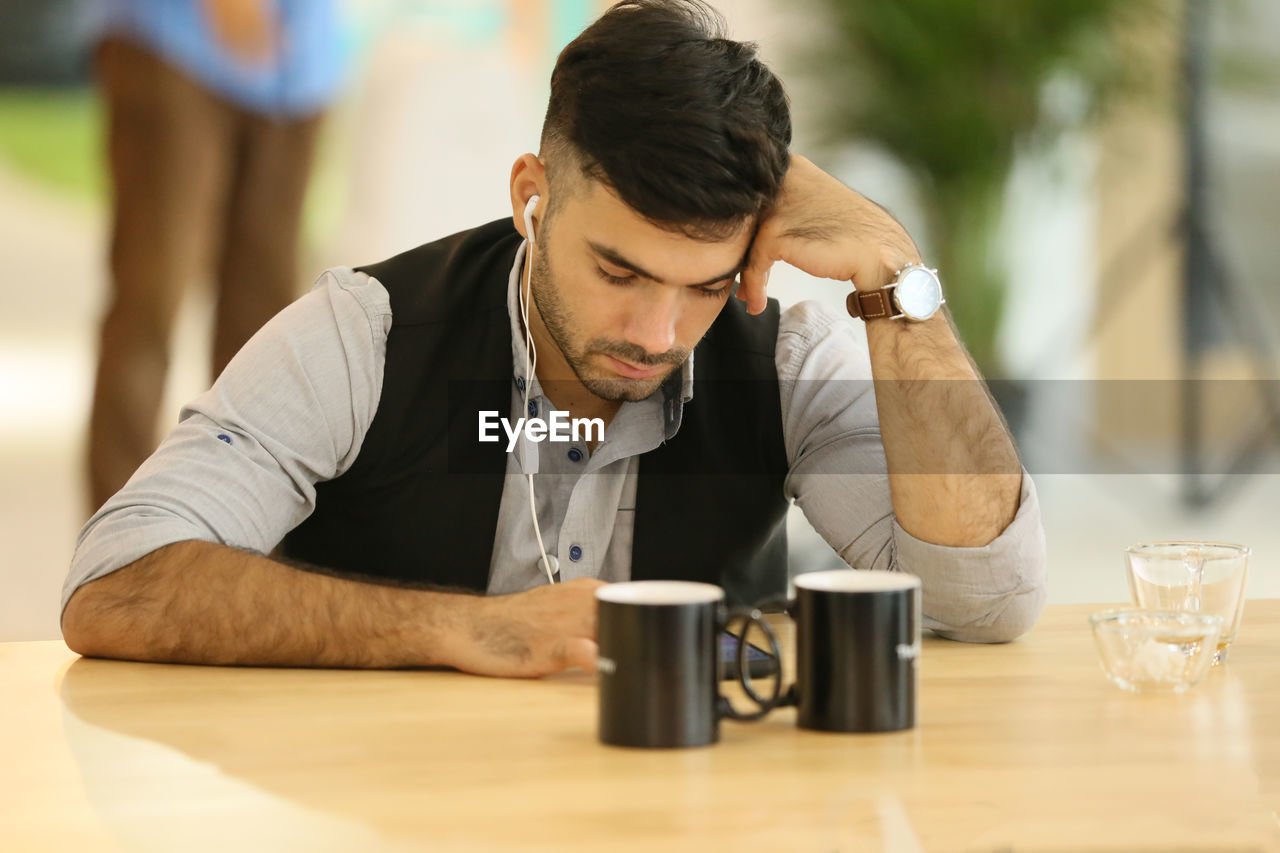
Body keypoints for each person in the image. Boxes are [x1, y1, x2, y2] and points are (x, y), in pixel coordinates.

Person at [62, 0, 1047, 677]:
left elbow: (986, 597)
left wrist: (894, 276)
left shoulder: (781, 357)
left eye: (701, 285)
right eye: (617, 270)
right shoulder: (364, 332)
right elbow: (115, 584)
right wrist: (465, 631)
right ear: (531, 195)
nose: (655, 333)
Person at [86, 0, 346, 511]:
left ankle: (245, 535)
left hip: (302, 62)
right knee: (150, 301)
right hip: (177, 41)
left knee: (266, 329)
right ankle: (118, 556)